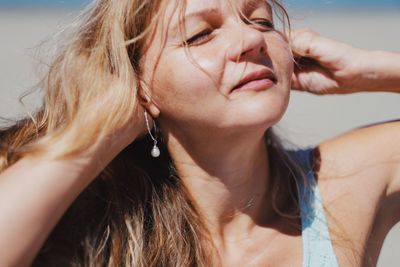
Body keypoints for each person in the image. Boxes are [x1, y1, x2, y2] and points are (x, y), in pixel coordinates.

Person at [0, 0, 399, 266]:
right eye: (201, 35)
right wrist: (99, 133)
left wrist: (374, 70)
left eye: (260, 20)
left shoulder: (339, 186)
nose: (251, 39)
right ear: (139, 83)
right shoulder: (100, 225)